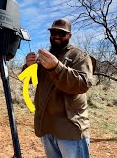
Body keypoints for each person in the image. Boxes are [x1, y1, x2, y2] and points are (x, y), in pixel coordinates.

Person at [23, 18, 95, 158]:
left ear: (69, 36)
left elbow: (83, 84)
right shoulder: (46, 57)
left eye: (61, 34)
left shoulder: (79, 55)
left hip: (69, 129)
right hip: (47, 126)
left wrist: (56, 67)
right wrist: (28, 66)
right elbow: (31, 80)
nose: (56, 36)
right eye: (54, 33)